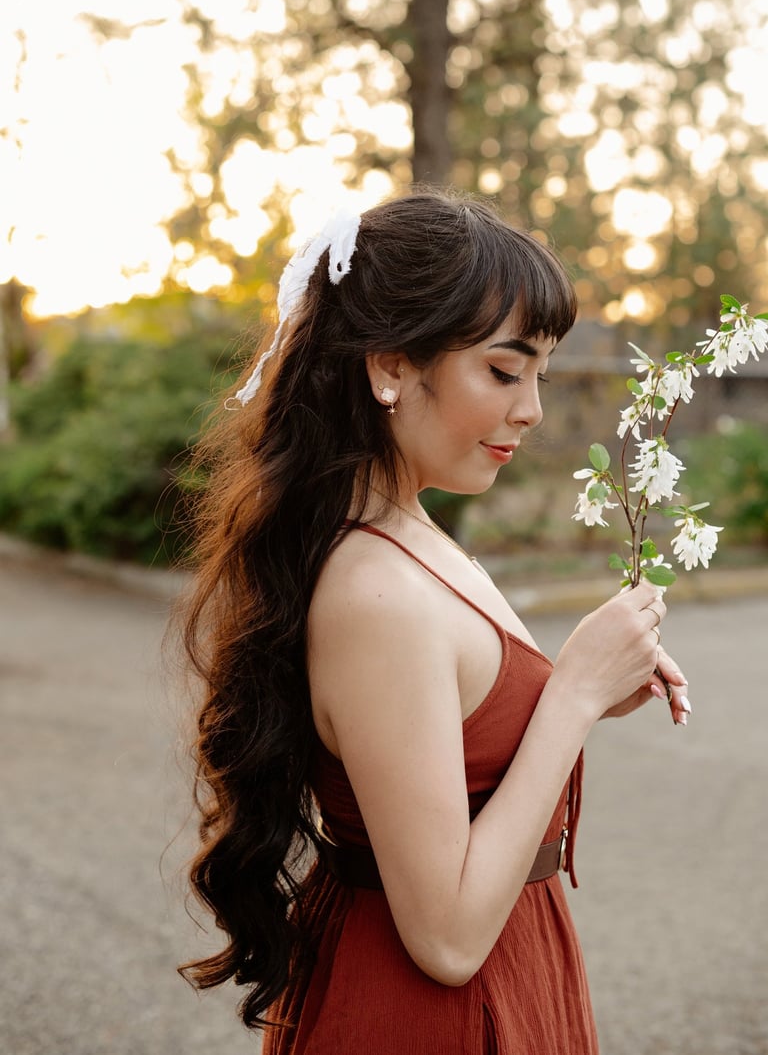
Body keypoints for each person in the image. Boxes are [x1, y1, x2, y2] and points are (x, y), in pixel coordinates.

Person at [177, 190, 689, 1053]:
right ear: (388, 366)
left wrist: (587, 692)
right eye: (502, 369)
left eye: (541, 374)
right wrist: (568, 696)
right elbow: (446, 937)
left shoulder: (411, 535)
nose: (530, 408)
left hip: (511, 966)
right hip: (428, 1014)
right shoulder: (376, 592)